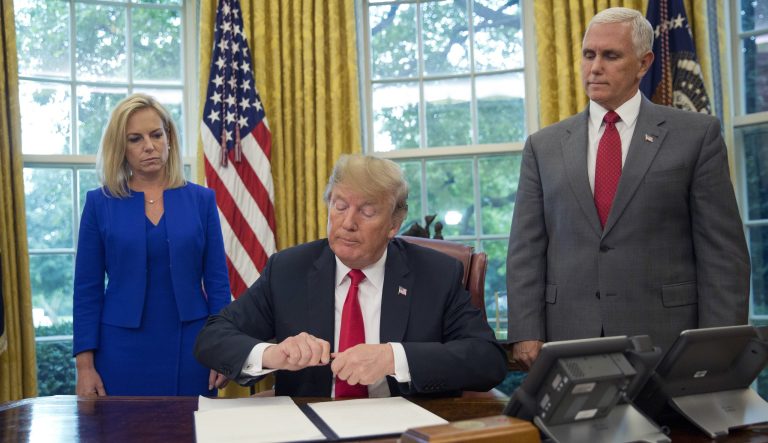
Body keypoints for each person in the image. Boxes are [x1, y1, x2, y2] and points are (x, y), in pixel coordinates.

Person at [506, 7, 750, 369]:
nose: (595, 67)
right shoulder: (544, 145)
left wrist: (718, 345)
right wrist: (525, 329)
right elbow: (526, 248)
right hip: (569, 339)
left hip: (667, 341)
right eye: (589, 55)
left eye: (611, 55)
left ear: (643, 63)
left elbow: (723, 255)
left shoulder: (696, 136)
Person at [194, 154, 507, 397]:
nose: (347, 222)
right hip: (313, 427)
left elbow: (487, 359)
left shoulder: (435, 274)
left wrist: (393, 358)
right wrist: (274, 354)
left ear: (394, 224)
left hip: (402, 429)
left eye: (367, 212)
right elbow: (213, 337)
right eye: (339, 206)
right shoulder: (289, 270)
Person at [73, 93, 231, 396]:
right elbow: (87, 290)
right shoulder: (99, 203)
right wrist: (85, 367)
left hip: (193, 347)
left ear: (169, 137)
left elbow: (218, 284)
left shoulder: (201, 200)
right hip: (119, 349)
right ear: (121, 148)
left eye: (156, 134)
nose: (149, 145)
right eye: (135, 139)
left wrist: (223, 349)